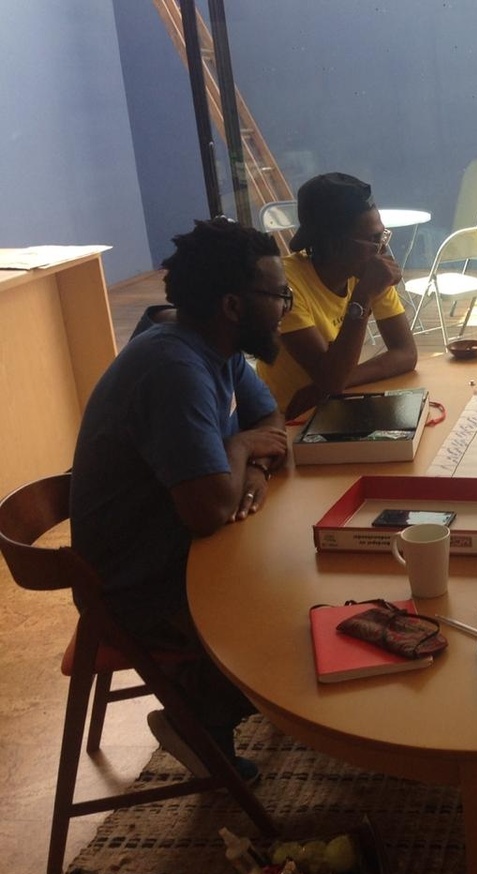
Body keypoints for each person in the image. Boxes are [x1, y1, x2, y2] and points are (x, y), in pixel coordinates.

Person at [70, 218, 291, 782]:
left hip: (178, 549)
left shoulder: (213, 345)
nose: (287, 306)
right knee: (294, 614)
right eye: (278, 295)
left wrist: (255, 466)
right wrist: (241, 446)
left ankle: (211, 710)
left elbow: (272, 421)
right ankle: (198, 720)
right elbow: (211, 510)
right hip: (138, 589)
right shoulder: (174, 368)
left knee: (302, 575)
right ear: (234, 306)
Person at [256, 172, 418, 419]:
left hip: (327, 403)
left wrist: (330, 384)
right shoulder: (286, 285)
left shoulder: (365, 268)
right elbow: (332, 379)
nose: (383, 248)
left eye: (383, 236)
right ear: (333, 243)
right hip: (283, 419)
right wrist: (362, 297)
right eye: (373, 239)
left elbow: (406, 353)